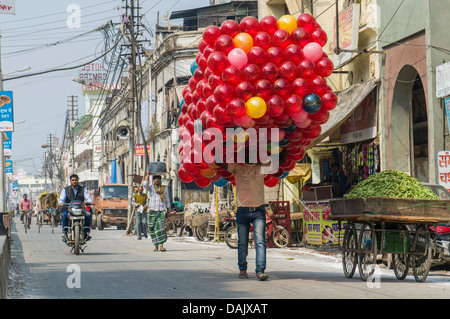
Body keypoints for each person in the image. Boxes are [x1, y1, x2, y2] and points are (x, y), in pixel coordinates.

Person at [216, 149, 288, 281]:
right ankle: (242, 270)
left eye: (253, 153)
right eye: (248, 153)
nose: (251, 156)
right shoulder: (237, 167)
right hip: (243, 211)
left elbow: (281, 161)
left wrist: (285, 145)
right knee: (242, 243)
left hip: (258, 211)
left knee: (260, 242)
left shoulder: (261, 167)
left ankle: (260, 271)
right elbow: (219, 162)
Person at [59, 174, 93, 242]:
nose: (74, 181)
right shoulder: (65, 190)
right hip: (70, 210)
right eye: (73, 180)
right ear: (70, 181)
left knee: (88, 215)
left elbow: (89, 199)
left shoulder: (83, 189)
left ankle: (86, 232)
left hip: (81, 210)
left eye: (76, 180)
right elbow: (61, 200)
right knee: (65, 215)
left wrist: (89, 202)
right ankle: (65, 233)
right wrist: (62, 203)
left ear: (78, 181)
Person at [143, 172, 170, 252]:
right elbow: (145, 184)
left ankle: (161, 245)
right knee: (152, 228)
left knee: (160, 228)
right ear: (153, 180)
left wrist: (168, 210)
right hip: (152, 211)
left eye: (158, 179)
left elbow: (167, 200)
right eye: (155, 179)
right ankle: (155, 245)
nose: (157, 180)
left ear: (160, 180)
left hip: (161, 211)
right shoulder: (151, 188)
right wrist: (147, 175)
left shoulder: (164, 189)